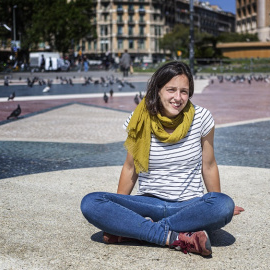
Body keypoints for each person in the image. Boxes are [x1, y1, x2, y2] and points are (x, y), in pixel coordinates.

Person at [81, 61, 244, 257]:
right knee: (91, 202)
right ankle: (177, 236)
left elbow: (208, 166)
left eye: (184, 91)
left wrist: (214, 201)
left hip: (188, 206)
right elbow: (130, 167)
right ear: (157, 90)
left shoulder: (202, 117)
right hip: (148, 204)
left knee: (223, 205)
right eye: (171, 90)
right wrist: (121, 207)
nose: (178, 97)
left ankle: (140, 232)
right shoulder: (140, 117)